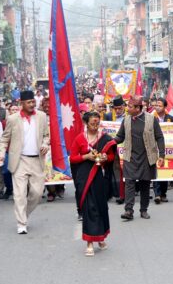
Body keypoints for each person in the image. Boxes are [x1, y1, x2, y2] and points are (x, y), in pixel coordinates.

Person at [0, 90, 50, 234]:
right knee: (19, 194)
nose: (32, 104)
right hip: (19, 160)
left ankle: (24, 214)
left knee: (37, 193)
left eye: (33, 101)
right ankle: (21, 223)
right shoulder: (13, 119)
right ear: (22, 103)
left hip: (36, 160)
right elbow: (4, 139)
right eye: (29, 102)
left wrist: (45, 144)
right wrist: (1, 155)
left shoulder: (41, 116)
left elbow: (46, 135)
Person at [70, 111, 116, 256]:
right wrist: (86, 156)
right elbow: (72, 158)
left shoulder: (105, 138)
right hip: (84, 177)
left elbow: (111, 156)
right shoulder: (79, 139)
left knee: (100, 206)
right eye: (92, 123)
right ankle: (89, 242)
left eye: (97, 123)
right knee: (89, 208)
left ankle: (100, 237)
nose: (95, 126)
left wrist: (104, 158)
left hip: (99, 177)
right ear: (85, 123)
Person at [114, 95, 165, 220]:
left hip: (147, 157)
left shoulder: (151, 119)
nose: (127, 108)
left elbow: (159, 137)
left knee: (145, 184)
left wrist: (162, 155)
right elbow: (120, 137)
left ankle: (143, 210)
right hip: (130, 157)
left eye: (130, 106)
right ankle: (128, 211)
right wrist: (108, 141)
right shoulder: (126, 120)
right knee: (129, 183)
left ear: (138, 108)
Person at [153, 97, 173, 204]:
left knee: (165, 170)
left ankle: (163, 194)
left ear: (165, 107)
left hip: (168, 147)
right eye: (156, 105)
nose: (157, 107)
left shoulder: (171, 118)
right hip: (154, 148)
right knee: (156, 169)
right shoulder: (151, 118)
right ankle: (157, 194)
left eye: (160, 105)